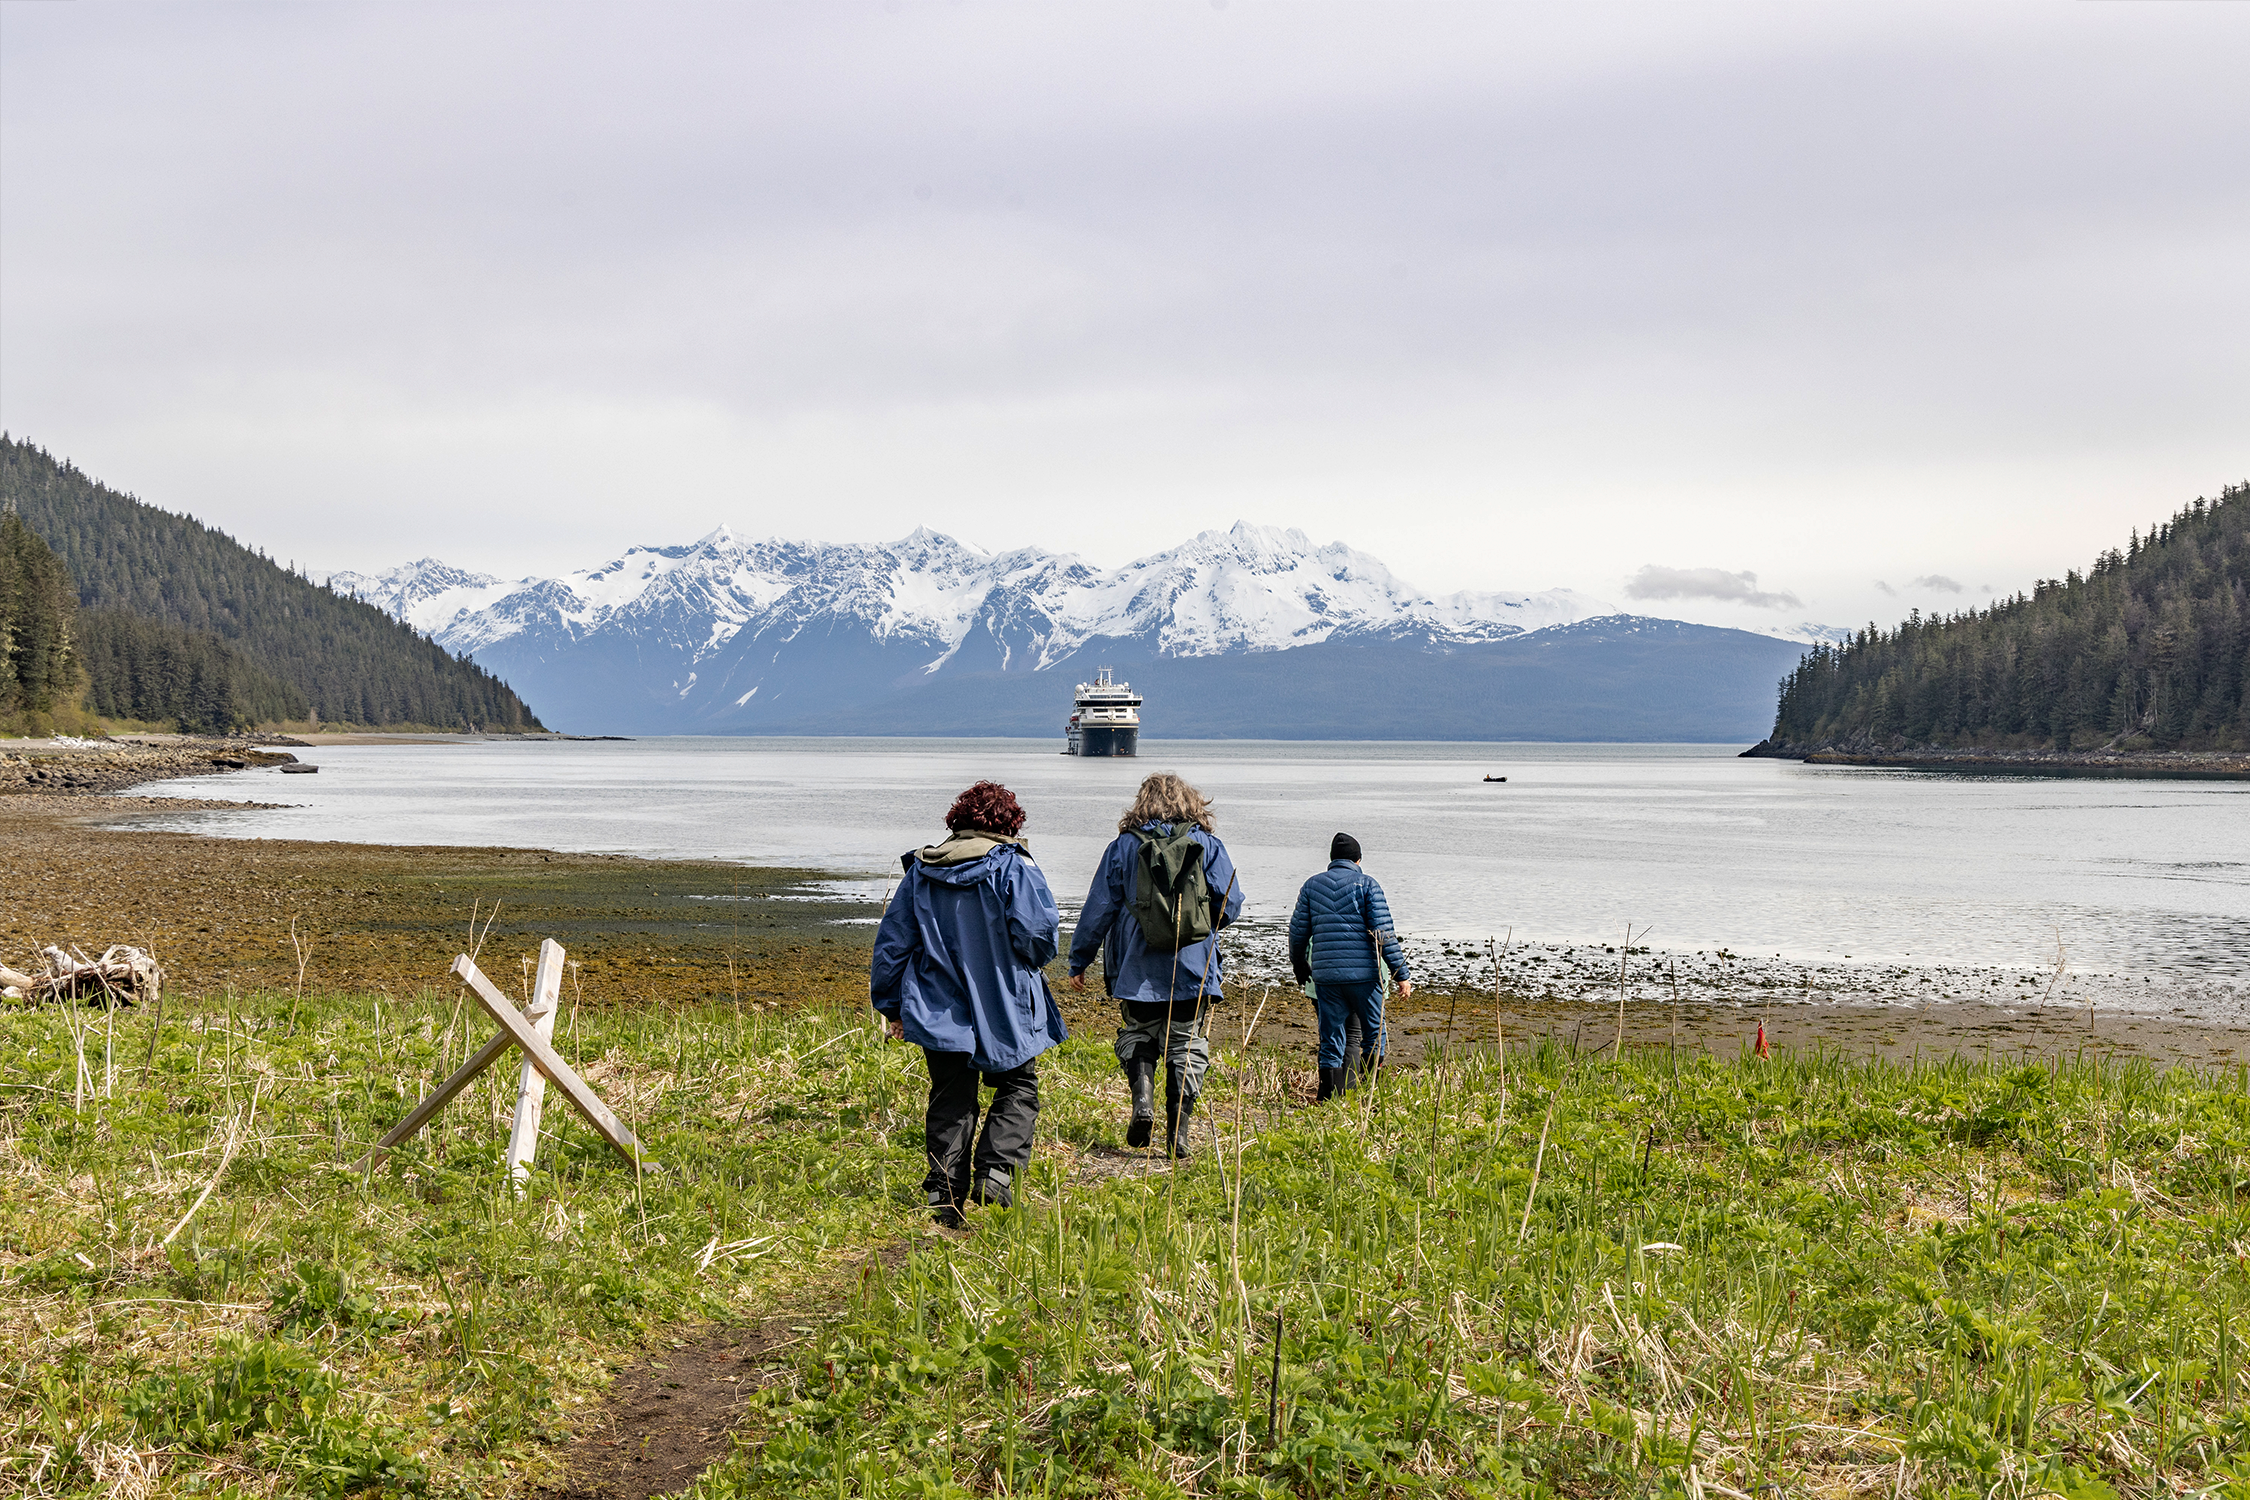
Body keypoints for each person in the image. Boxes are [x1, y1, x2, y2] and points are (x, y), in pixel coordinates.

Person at [871, 780, 1065, 1229]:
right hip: (1003, 1003)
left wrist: (891, 1004)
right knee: (1018, 1085)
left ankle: (944, 1192)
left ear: (956, 822)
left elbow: (893, 944)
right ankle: (996, 1171)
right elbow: (1039, 937)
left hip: (937, 1006)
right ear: (1010, 823)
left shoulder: (921, 871)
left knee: (950, 1096)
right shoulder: (1016, 867)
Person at [1068, 772, 1245, 1157]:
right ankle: (1177, 1136)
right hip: (1192, 967)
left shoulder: (1123, 847)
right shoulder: (1207, 844)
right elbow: (1230, 903)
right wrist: (1199, 925)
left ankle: (1143, 1103)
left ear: (1141, 803)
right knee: (1186, 1045)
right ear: (1191, 802)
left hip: (1135, 966)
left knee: (1139, 1035)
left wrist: (1079, 959)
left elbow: (1099, 907)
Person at [1289, 832, 1412, 1101]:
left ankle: (1329, 1098)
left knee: (1331, 1038)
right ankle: (1367, 1096)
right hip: (1365, 978)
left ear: (1332, 859)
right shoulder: (1367, 884)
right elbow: (1383, 933)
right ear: (1358, 859)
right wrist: (1400, 973)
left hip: (1326, 977)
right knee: (1374, 1033)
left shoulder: (1312, 886)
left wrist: (1300, 966)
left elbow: (1297, 932)